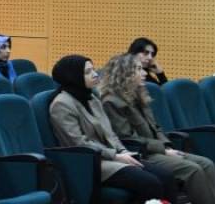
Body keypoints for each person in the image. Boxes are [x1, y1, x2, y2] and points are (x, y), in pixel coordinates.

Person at [49, 55, 176, 203]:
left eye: (93, 69)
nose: (95, 74)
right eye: (88, 72)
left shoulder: (92, 98)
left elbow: (110, 133)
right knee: (150, 183)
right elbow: (79, 143)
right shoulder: (61, 104)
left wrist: (122, 151)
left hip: (112, 156)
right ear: (73, 76)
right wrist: (115, 156)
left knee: (166, 176)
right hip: (91, 162)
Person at [101, 54, 215, 204]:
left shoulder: (138, 95)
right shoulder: (112, 102)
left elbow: (156, 127)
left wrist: (166, 147)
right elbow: (128, 138)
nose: (144, 73)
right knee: (193, 169)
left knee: (207, 164)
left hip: (158, 149)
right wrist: (163, 150)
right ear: (124, 74)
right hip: (142, 153)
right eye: (138, 69)